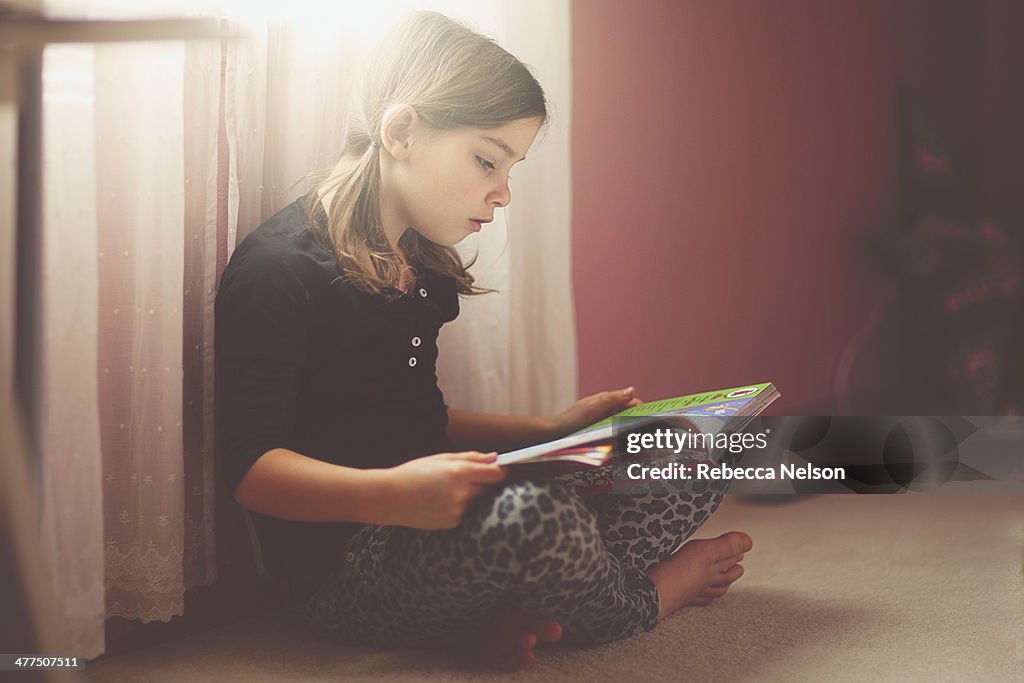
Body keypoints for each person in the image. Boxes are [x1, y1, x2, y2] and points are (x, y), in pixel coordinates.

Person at [215, 11, 752, 671]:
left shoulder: (420, 264)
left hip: (445, 536)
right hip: (349, 572)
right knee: (537, 517)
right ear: (402, 131)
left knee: (687, 445)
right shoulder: (278, 270)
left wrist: (548, 430)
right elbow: (249, 471)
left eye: (511, 168)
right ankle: (650, 594)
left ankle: (516, 611)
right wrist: (394, 494)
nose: (501, 193)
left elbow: (419, 419)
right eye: (487, 161)